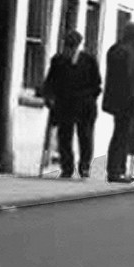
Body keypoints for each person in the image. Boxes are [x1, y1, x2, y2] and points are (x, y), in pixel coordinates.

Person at [42, 30, 101, 179]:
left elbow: (97, 84)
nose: (70, 50)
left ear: (78, 46)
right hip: (64, 105)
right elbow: (50, 81)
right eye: (68, 47)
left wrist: (87, 98)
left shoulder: (89, 61)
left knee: (85, 137)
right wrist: (49, 97)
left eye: (73, 47)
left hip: (85, 106)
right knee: (64, 137)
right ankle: (67, 167)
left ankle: (84, 166)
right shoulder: (58, 61)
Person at [103, 22, 134, 183]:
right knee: (123, 136)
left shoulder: (115, 50)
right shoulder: (130, 53)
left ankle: (116, 169)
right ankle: (117, 170)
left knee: (120, 135)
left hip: (117, 100)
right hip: (128, 101)